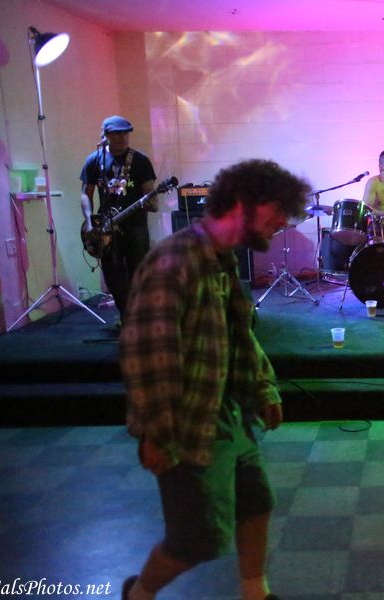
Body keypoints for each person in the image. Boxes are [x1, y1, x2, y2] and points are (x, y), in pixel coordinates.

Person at [118, 159, 310, 600]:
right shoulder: (174, 263)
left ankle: (255, 593)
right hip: (188, 423)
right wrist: (156, 434)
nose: (283, 221)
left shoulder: (221, 260)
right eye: (276, 209)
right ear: (243, 203)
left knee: (256, 504)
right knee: (195, 541)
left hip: (230, 413)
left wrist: (263, 387)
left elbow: (238, 336)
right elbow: (147, 357)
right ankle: (139, 594)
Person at [80, 115, 157, 323]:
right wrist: (89, 221)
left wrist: (151, 202)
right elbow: (85, 194)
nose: (123, 138)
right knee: (112, 274)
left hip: (135, 226)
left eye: (125, 133)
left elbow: (151, 197)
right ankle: (125, 315)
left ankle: (141, 317)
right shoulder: (94, 160)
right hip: (105, 228)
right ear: (105, 136)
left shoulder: (140, 161)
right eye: (117, 134)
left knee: (138, 272)